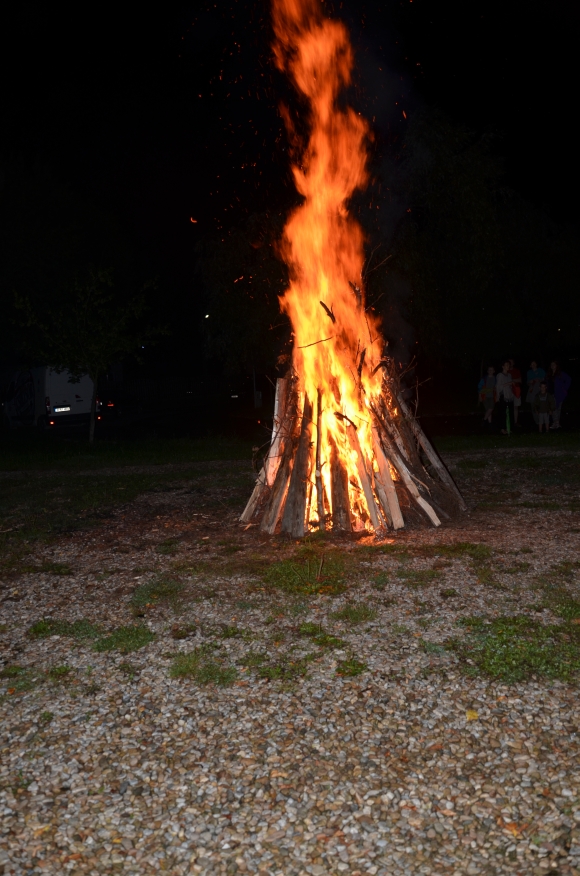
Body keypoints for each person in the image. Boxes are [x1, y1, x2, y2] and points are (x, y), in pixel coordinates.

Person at [546, 361, 571, 430]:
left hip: (558, 393)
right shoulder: (549, 374)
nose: (552, 366)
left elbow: (568, 379)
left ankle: (556, 423)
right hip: (550, 393)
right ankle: (556, 423)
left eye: (554, 364)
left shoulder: (560, 374)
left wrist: (564, 388)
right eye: (551, 364)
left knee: (556, 408)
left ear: (557, 365)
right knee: (554, 408)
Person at [495, 360, 514, 435]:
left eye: (508, 365)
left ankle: (508, 428)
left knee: (509, 413)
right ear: (503, 366)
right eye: (506, 365)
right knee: (502, 413)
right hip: (503, 396)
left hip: (509, 396)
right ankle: (502, 429)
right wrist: (508, 383)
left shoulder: (509, 375)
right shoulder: (500, 375)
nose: (508, 366)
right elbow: (498, 387)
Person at [526, 360, 546, 425]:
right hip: (532, 390)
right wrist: (530, 382)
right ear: (530, 366)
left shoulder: (541, 370)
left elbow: (545, 379)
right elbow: (528, 382)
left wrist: (539, 380)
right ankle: (537, 422)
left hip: (540, 390)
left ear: (536, 364)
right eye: (532, 364)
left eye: (534, 363)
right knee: (534, 406)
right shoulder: (529, 372)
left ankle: (543, 420)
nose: (533, 365)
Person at [509, 359, 522, 425]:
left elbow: (520, 380)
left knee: (516, 406)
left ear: (513, 363)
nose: (510, 363)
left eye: (511, 362)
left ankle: (515, 422)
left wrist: (512, 380)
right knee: (508, 407)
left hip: (516, 390)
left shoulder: (516, 371)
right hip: (508, 391)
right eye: (509, 362)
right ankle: (509, 421)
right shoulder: (506, 371)